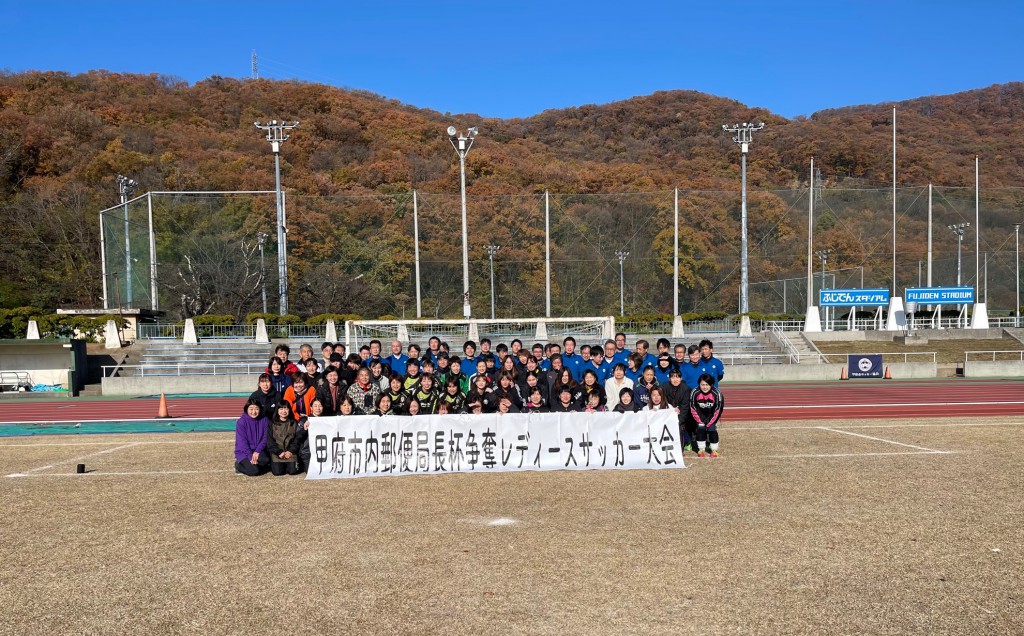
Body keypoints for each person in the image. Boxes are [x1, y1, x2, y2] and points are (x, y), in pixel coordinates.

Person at [690, 373, 724, 458]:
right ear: (699, 384)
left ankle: (714, 450)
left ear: (711, 384)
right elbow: (693, 408)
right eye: (702, 385)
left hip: (712, 416)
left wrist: (710, 422)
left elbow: (718, 410)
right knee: (700, 428)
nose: (705, 387)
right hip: (700, 415)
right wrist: (700, 421)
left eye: (707, 385)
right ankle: (701, 449)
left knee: (712, 429)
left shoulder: (717, 393)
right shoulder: (695, 392)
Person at [234, 399, 269, 476]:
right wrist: (250, 456)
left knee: (266, 460)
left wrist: (258, 451)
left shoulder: (264, 419)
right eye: (251, 409)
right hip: (244, 452)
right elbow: (242, 442)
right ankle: (238, 466)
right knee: (254, 471)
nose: (254, 412)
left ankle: (254, 465)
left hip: (257, 450)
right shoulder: (241, 422)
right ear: (246, 409)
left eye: (256, 409)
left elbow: (265, 438)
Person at [266, 403, 303, 476]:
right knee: (277, 472)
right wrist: (279, 452)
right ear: (277, 410)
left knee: (293, 471)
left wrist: (291, 451)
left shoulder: (294, 423)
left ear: (289, 410)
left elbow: (297, 440)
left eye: (286, 409)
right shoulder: (271, 423)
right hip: (278, 453)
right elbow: (270, 441)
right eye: (281, 409)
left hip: (290, 452)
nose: (284, 411)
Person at [297, 396, 325, 472]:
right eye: (315, 406)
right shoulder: (305, 420)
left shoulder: (327, 420)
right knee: (311, 471)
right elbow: (298, 437)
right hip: (308, 452)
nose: (318, 408)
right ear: (311, 408)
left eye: (320, 406)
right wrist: (304, 429)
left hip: (324, 450)